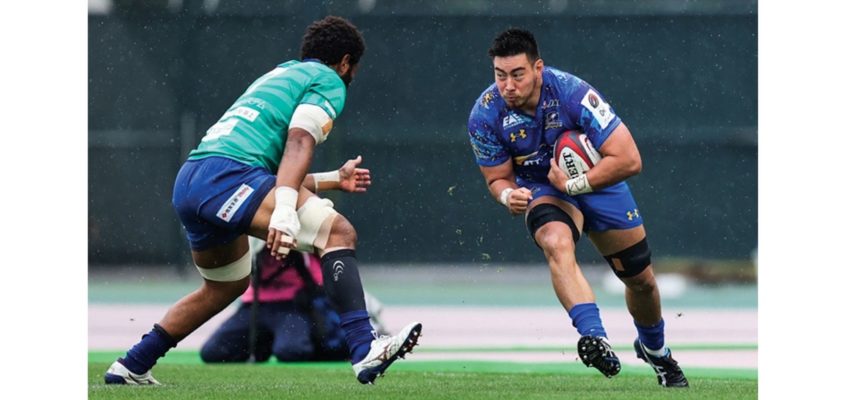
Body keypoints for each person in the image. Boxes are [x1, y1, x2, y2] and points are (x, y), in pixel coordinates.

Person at [105, 16, 421, 386]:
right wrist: (285, 211)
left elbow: (271, 172)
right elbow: (299, 140)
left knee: (225, 286)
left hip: (193, 179)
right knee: (337, 233)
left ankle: (132, 364)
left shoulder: (280, 75)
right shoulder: (329, 80)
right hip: (230, 178)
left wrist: (332, 179)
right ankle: (364, 347)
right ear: (346, 62)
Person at [466, 28, 688, 388]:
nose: (508, 85)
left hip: (596, 182)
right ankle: (594, 337)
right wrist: (508, 196)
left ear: (538, 68)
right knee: (556, 242)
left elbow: (630, 159)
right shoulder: (485, 115)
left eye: (517, 74)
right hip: (543, 188)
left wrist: (575, 183)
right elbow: (497, 179)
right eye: (500, 75)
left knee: (641, 280)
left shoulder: (572, 93)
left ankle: (655, 350)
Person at [199, 242, 389, 364]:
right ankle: (267, 342)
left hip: (294, 303)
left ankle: (328, 342)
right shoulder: (247, 215)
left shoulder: (300, 212)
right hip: (254, 305)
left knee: (292, 352)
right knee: (213, 353)